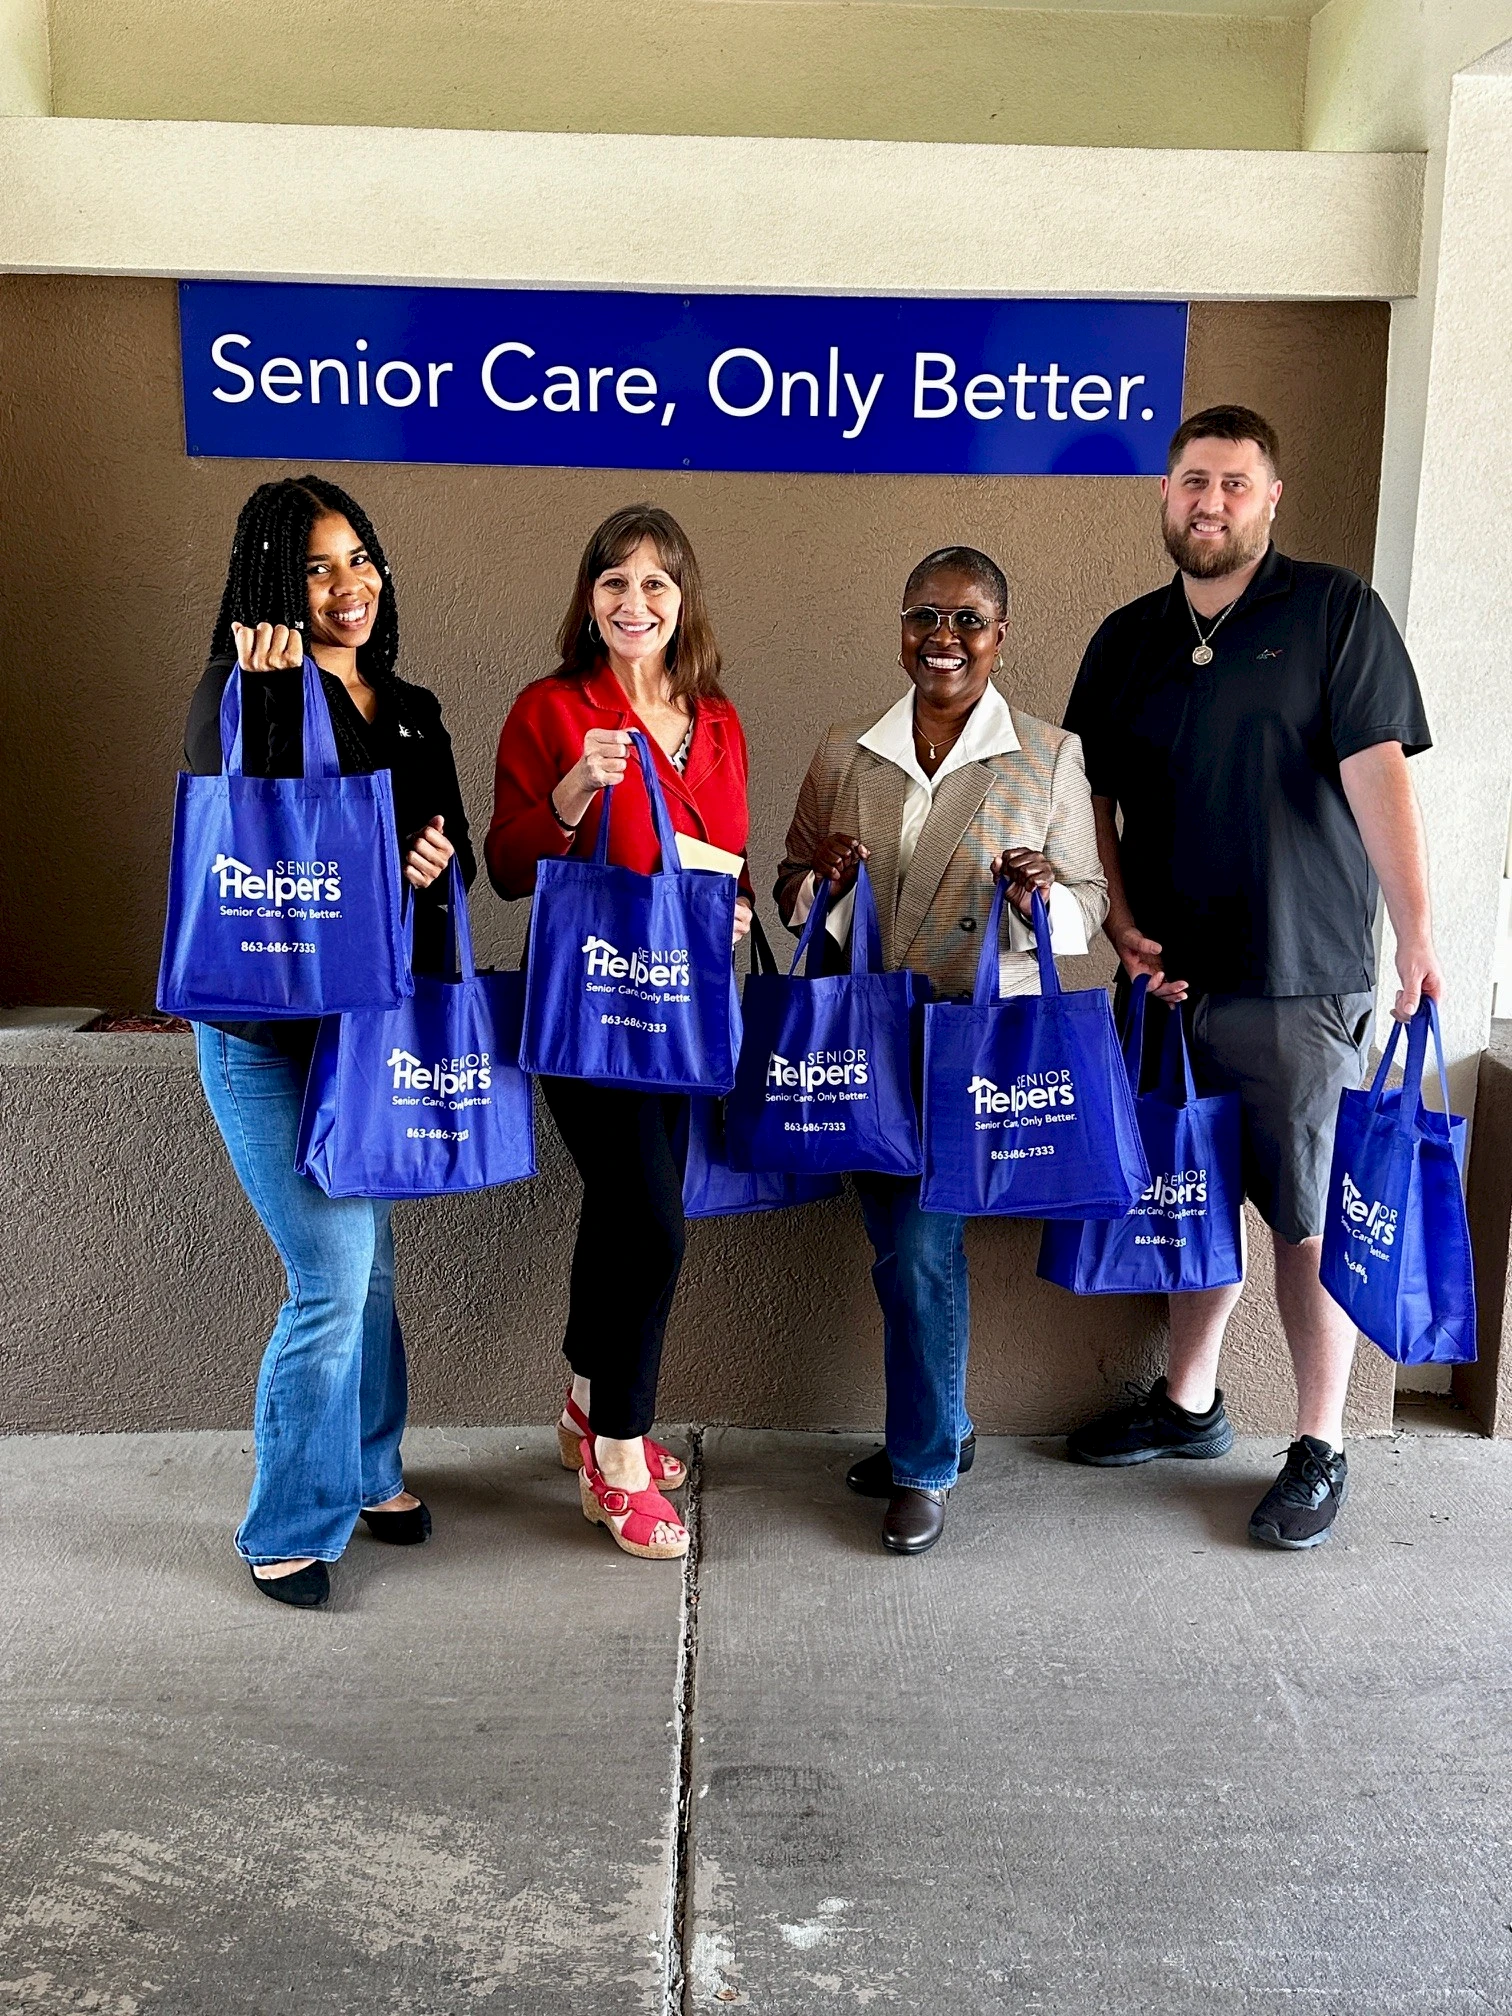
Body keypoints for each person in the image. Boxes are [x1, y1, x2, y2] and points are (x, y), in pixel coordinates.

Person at [1062, 404, 1439, 1550]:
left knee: (1307, 1220)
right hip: (1168, 984)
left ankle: (1319, 1444)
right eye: (1190, 481)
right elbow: (1094, 801)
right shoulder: (1127, 637)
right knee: (1189, 1195)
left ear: (1269, 498)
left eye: (1232, 482)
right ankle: (1188, 1405)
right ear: (1165, 497)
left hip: (1300, 979)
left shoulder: (1334, 613)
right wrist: (1117, 920)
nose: (1209, 501)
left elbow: (1380, 778)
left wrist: (1417, 934)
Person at [775, 545, 1108, 1556]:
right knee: (901, 1250)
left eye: (968, 620)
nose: (945, 638)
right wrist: (814, 882)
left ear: (1001, 634)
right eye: (926, 615)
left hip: (968, 1048)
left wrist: (1041, 897)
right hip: (865, 1044)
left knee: (922, 1250)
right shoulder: (846, 751)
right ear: (901, 627)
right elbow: (789, 884)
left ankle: (921, 1464)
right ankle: (943, 1428)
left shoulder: (1048, 755)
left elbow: (1089, 911)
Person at [185, 476, 475, 1609]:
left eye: (360, 559)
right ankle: (286, 1524)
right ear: (272, 580)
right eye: (316, 566)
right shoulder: (234, 690)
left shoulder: (411, 706)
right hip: (267, 1038)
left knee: (376, 1269)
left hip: (369, 1033)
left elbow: (428, 842)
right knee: (330, 1273)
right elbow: (251, 848)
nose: (348, 586)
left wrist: (424, 871)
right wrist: (266, 701)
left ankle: (365, 1472)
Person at [487, 505, 752, 1563]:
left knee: (624, 1210)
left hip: (680, 1006)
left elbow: (723, 851)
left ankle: (586, 1403)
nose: (634, 602)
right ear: (587, 598)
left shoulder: (718, 719)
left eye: (656, 583)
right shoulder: (551, 709)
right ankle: (624, 1452)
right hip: (590, 1006)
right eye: (614, 582)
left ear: (683, 600)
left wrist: (727, 911)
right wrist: (571, 788)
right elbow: (509, 866)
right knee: (653, 1220)